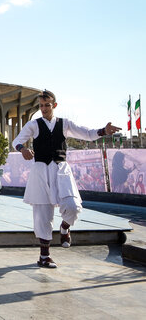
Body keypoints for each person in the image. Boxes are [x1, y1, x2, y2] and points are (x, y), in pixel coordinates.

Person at [12, 90, 121, 268]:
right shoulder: (34, 124)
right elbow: (17, 140)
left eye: (47, 105)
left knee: (73, 206)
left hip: (61, 169)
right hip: (40, 171)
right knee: (42, 214)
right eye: (41, 105)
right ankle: (44, 256)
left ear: (54, 105)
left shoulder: (64, 124)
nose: (44, 108)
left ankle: (65, 227)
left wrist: (103, 131)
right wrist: (22, 149)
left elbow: (86, 133)